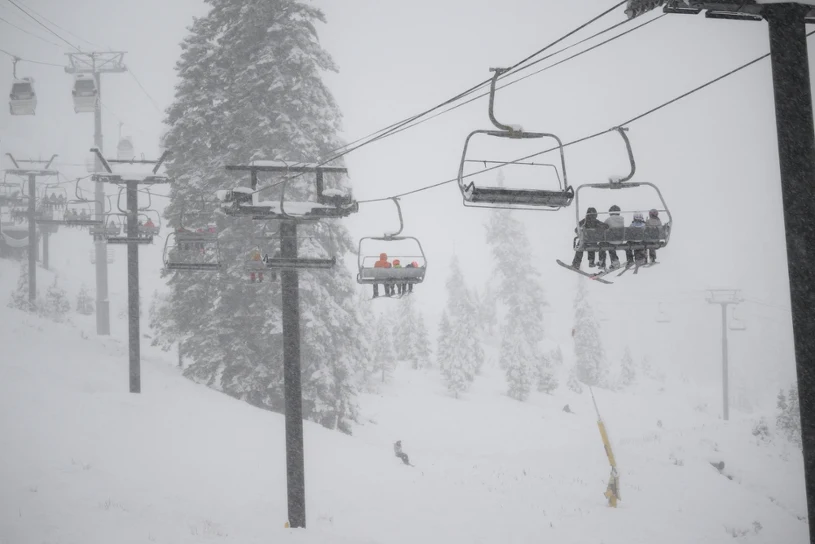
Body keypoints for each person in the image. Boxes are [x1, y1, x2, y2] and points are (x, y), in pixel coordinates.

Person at [598, 205, 623, 270]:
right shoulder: (622, 219)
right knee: (611, 245)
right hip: (620, 241)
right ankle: (615, 262)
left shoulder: (608, 220)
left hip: (611, 241)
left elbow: (603, 227)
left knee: (602, 244)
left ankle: (602, 262)